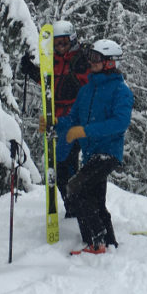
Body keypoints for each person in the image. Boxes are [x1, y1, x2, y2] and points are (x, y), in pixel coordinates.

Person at [55, 39, 134, 255]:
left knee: (75, 188)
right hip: (90, 154)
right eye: (90, 57)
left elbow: (120, 123)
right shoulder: (86, 91)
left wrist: (85, 131)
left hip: (108, 152)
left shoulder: (121, 91)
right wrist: (53, 122)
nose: (91, 62)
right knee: (95, 199)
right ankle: (107, 243)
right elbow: (73, 120)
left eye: (97, 58)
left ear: (110, 62)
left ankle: (96, 241)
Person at [22, 20, 90, 216]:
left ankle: (76, 206)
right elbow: (49, 83)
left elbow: (87, 84)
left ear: (73, 41)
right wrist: (32, 70)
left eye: (65, 43)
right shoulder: (53, 60)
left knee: (66, 166)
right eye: (57, 43)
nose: (61, 47)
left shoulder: (81, 60)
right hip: (57, 121)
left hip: (76, 122)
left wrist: (75, 83)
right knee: (60, 168)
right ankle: (73, 206)